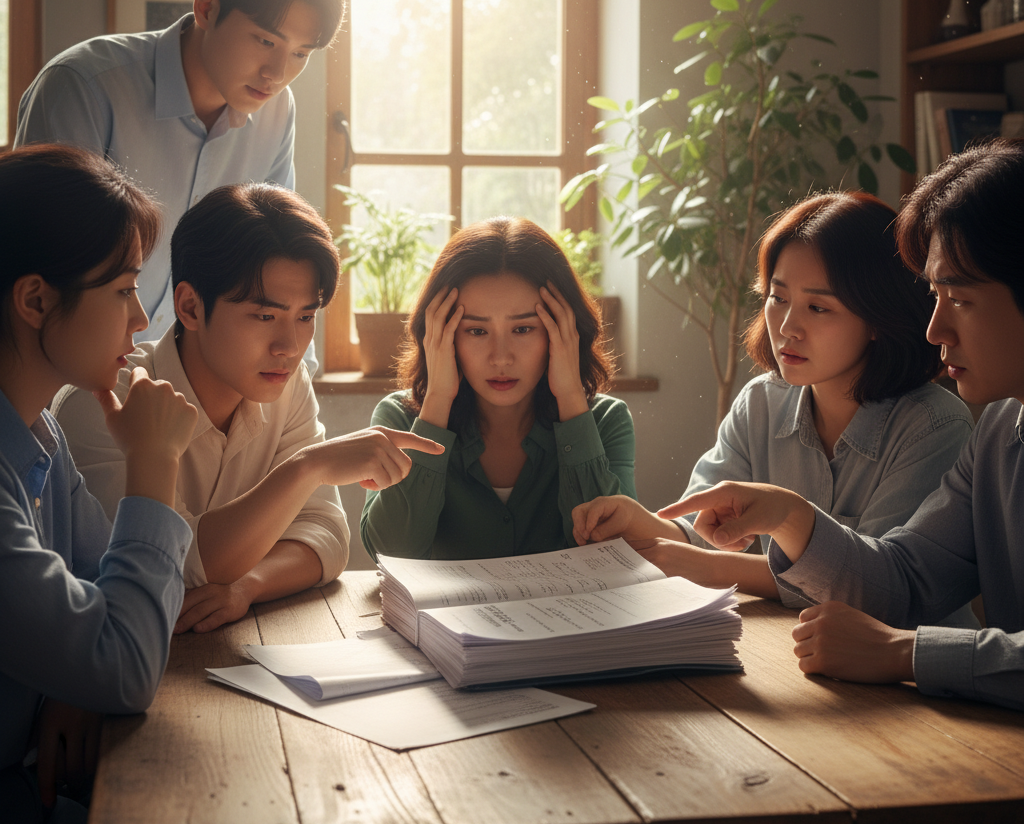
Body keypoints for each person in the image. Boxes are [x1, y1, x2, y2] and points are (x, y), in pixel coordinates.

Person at [657, 139, 1024, 710]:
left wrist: (903, 652)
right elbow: (903, 582)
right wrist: (787, 513)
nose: (935, 330)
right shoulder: (1002, 429)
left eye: (961, 298)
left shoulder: (939, 421)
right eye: (934, 294)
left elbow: (893, 619)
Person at [53, 184, 442, 635]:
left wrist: (248, 587)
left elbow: (327, 536)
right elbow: (168, 569)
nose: (290, 347)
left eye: (305, 316)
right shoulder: (107, 401)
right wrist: (307, 468)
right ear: (190, 306)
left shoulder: (284, 383)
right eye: (264, 316)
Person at [573, 192, 975, 624]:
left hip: (907, 679)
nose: (786, 327)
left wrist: (709, 567)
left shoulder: (933, 425)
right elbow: (703, 537)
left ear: (879, 318)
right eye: (777, 298)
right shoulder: (763, 402)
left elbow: (872, 588)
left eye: (818, 307)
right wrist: (642, 523)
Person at [15, 0, 345, 368]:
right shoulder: (84, 87)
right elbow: (37, 272)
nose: (276, 72)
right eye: (265, 40)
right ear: (207, 7)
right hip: (70, 383)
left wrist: (293, 389)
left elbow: (279, 255)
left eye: (301, 53)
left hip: (191, 390)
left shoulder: (276, 110)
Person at [0, 144, 198, 824]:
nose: (139, 326)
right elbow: (124, 663)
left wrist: (77, 677)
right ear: (35, 299)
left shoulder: (37, 432)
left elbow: (117, 616)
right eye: (122, 292)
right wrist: (154, 463)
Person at [361, 217, 636, 561]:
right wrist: (438, 400)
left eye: (523, 329)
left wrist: (570, 396)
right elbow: (392, 552)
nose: (501, 358)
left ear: (563, 331)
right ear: (440, 335)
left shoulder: (606, 421)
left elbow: (614, 553)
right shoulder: (399, 419)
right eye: (476, 331)